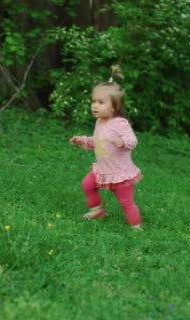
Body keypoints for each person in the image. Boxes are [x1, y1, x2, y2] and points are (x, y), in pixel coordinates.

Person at [69, 65, 143, 230]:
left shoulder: (120, 123)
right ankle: (96, 210)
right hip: (102, 170)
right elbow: (98, 141)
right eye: (94, 101)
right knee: (87, 185)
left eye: (101, 102)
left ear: (114, 107)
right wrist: (83, 140)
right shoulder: (100, 122)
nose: (95, 106)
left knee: (126, 202)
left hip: (119, 174)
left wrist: (122, 142)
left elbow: (133, 140)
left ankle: (136, 227)